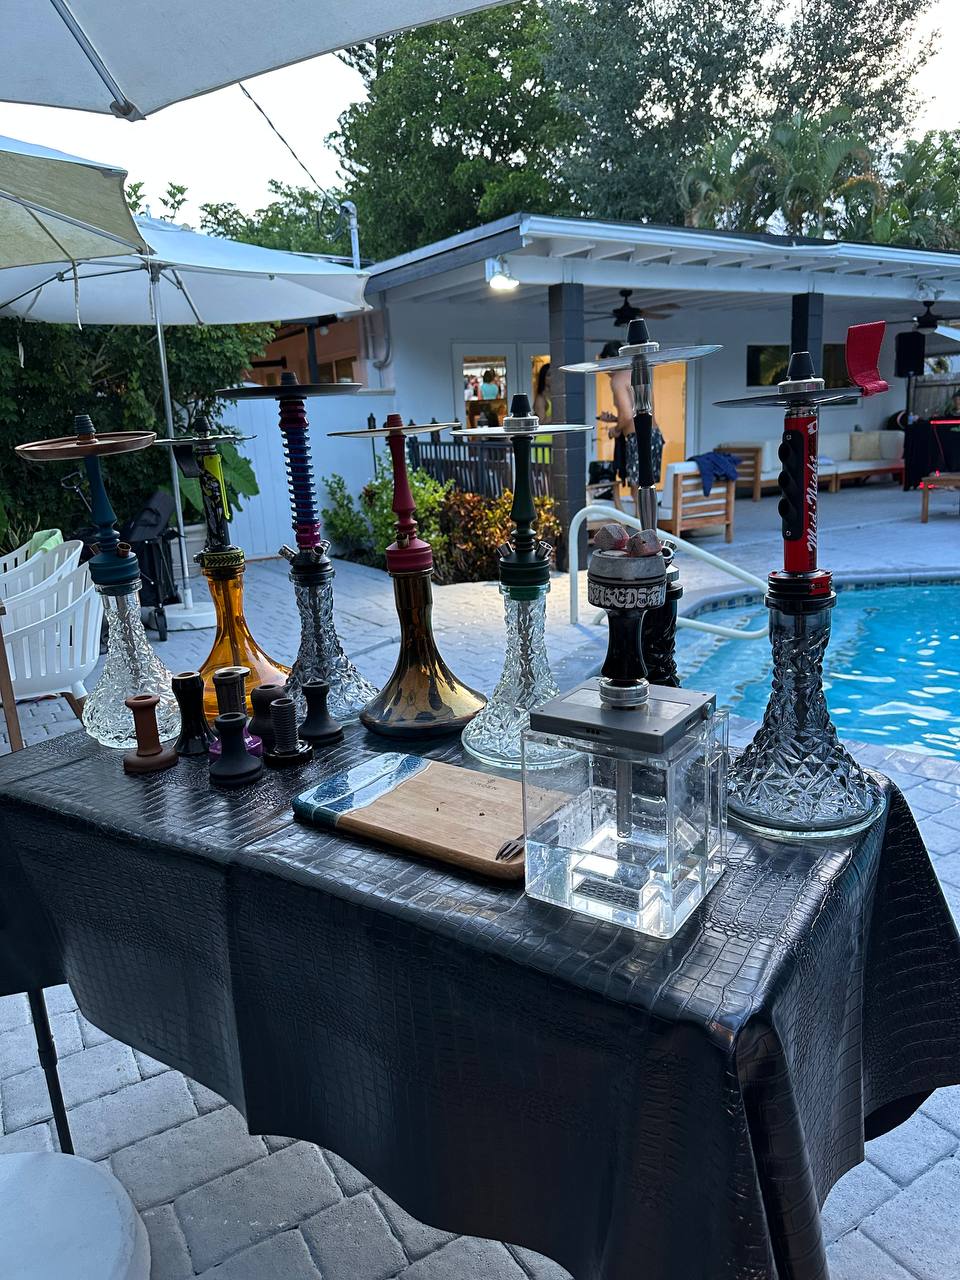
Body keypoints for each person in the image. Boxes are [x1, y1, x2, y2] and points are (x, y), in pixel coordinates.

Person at [596, 340, 639, 514]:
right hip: (651, 435)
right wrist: (615, 419)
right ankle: (645, 525)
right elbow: (635, 413)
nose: (604, 369)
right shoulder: (636, 374)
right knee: (644, 486)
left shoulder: (618, 379)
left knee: (637, 490)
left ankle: (643, 527)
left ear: (609, 359)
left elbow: (627, 416)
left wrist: (616, 430)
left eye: (603, 363)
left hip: (637, 438)